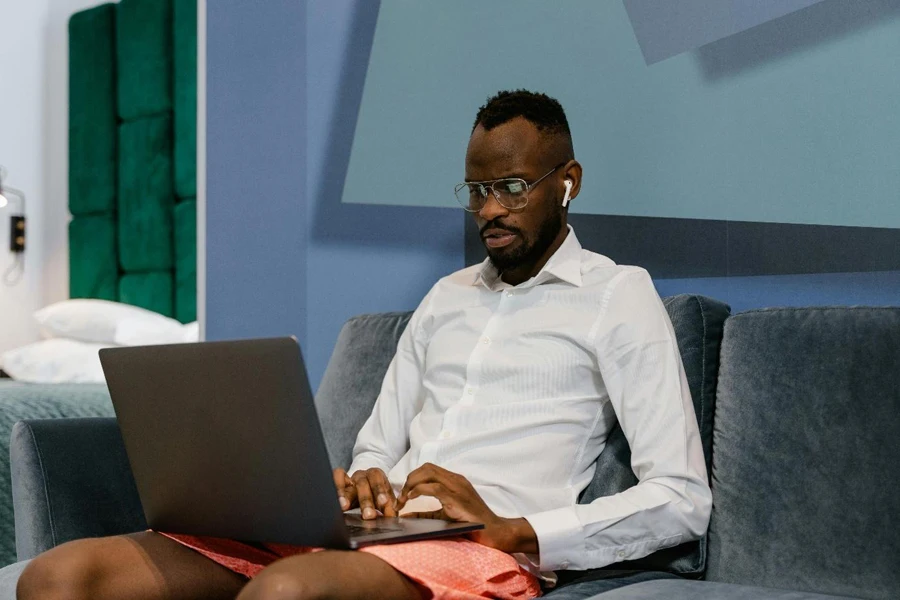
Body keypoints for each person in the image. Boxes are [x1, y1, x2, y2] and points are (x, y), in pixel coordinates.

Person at [16, 90, 710, 600]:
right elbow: (379, 445)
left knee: (287, 594)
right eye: (476, 191)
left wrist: (518, 530)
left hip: (482, 553)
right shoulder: (446, 298)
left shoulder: (617, 295)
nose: (490, 210)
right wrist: (366, 480)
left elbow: (681, 497)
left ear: (568, 183)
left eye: (511, 187)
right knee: (60, 578)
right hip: (371, 538)